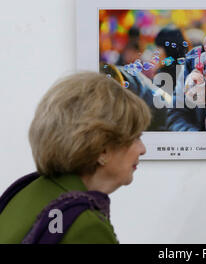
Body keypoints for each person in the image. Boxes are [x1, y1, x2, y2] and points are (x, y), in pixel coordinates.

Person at [0, 72, 151, 243]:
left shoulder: (26, 189)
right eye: (136, 137)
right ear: (103, 150)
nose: (142, 149)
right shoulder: (84, 224)